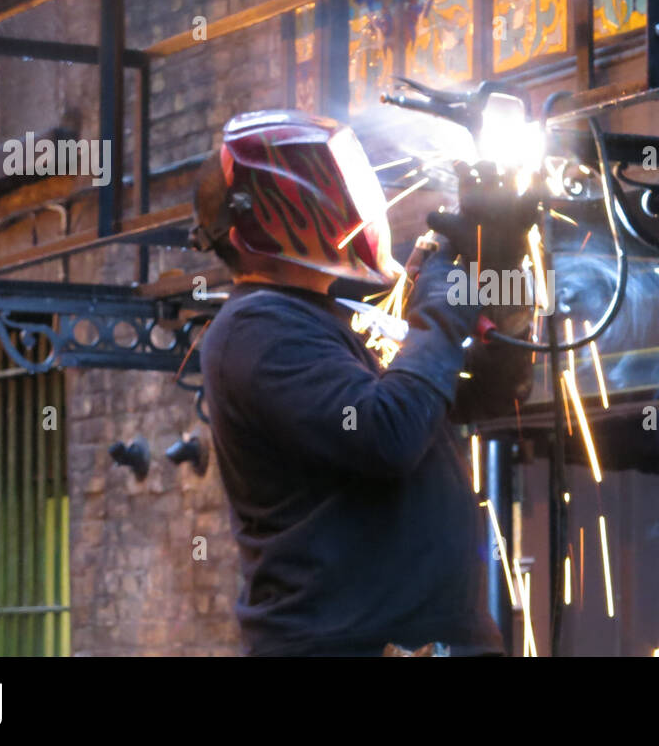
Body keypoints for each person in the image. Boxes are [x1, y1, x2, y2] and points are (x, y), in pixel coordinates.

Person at [190, 110, 534, 656]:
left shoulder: (331, 319)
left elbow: (486, 392)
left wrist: (503, 265)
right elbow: (387, 434)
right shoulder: (256, 329)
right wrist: (446, 299)